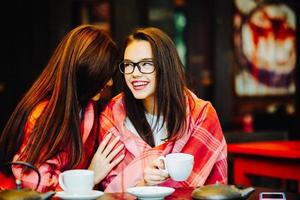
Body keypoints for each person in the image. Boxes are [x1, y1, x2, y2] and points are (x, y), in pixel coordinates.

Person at [97, 27, 227, 192]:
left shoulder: (201, 115)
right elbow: (110, 189)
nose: (134, 73)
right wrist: (144, 184)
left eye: (145, 64)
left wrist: (150, 184)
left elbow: (208, 189)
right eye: (129, 65)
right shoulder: (113, 115)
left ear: (165, 66)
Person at [0, 25, 124, 192]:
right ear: (84, 71)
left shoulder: (88, 107)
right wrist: (90, 176)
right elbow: (35, 181)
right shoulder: (44, 114)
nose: (109, 83)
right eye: (104, 75)